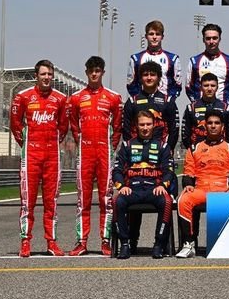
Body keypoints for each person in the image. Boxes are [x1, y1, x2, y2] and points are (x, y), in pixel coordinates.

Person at [10, 59, 69, 258]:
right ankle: (25, 241)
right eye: (43, 74)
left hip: (52, 156)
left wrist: (52, 144)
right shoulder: (23, 97)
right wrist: (27, 144)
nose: (46, 77)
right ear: (36, 76)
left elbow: (63, 127)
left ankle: (51, 242)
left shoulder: (60, 99)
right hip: (31, 156)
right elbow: (15, 125)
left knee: (51, 202)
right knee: (28, 201)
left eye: (50, 74)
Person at [66, 56, 122, 257]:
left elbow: (117, 127)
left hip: (105, 153)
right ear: (86, 72)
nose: (94, 74)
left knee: (106, 199)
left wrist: (110, 147)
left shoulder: (113, 98)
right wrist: (82, 144)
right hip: (86, 154)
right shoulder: (76, 98)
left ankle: (106, 241)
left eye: (97, 70)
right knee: (83, 199)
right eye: (91, 70)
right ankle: (81, 242)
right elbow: (74, 126)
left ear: (103, 72)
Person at [120, 60, 179, 253]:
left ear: (159, 78)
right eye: (145, 75)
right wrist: (133, 152)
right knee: (132, 194)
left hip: (161, 157)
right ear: (140, 78)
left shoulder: (168, 100)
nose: (149, 78)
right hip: (136, 157)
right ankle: (132, 241)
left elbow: (174, 128)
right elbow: (126, 129)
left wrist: (166, 150)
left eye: (152, 74)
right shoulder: (133, 101)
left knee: (165, 198)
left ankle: (161, 244)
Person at [176, 109, 229, 258]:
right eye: (210, 123)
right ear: (204, 126)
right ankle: (189, 244)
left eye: (217, 123)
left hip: (223, 190)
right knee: (183, 199)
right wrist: (188, 184)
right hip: (201, 189)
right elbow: (188, 172)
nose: (213, 126)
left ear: (223, 127)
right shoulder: (194, 148)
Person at [112, 110, 175, 260]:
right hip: (132, 189)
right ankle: (125, 244)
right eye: (142, 125)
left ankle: (159, 244)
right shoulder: (127, 145)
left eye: (148, 124)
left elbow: (169, 171)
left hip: (154, 189)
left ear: (154, 125)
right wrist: (121, 186)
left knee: (167, 201)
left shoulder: (163, 146)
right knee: (116, 201)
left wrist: (163, 186)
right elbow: (117, 170)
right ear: (136, 126)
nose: (145, 128)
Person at [127, 20, 182, 100]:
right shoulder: (136, 59)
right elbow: (131, 84)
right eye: (151, 34)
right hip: (142, 103)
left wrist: (169, 101)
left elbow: (177, 85)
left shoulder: (173, 59)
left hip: (164, 104)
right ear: (146, 36)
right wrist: (139, 100)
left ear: (162, 37)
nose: (154, 37)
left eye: (158, 34)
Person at [185, 23, 229, 105]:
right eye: (208, 38)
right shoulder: (194, 61)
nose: (211, 41)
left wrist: (226, 105)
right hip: (200, 108)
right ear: (203, 40)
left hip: (222, 108)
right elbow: (189, 86)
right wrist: (196, 104)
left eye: (215, 38)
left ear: (220, 39)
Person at [182, 72, 229, 150]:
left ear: (217, 87)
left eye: (213, 86)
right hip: (198, 152)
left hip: (221, 152)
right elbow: (185, 136)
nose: (209, 89)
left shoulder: (226, 108)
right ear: (200, 87)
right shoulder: (191, 108)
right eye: (206, 86)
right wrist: (193, 150)